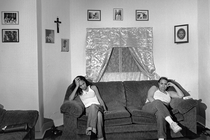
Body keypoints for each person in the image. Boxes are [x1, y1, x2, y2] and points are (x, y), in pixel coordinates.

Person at [69, 76, 107, 140]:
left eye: (83, 84)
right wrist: (76, 86)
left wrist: (105, 109)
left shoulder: (93, 87)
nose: (83, 86)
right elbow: (70, 99)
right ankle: (100, 138)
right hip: (89, 110)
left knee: (93, 106)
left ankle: (91, 131)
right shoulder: (79, 92)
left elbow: (100, 99)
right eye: (80, 86)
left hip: (98, 107)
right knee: (99, 115)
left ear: (85, 82)